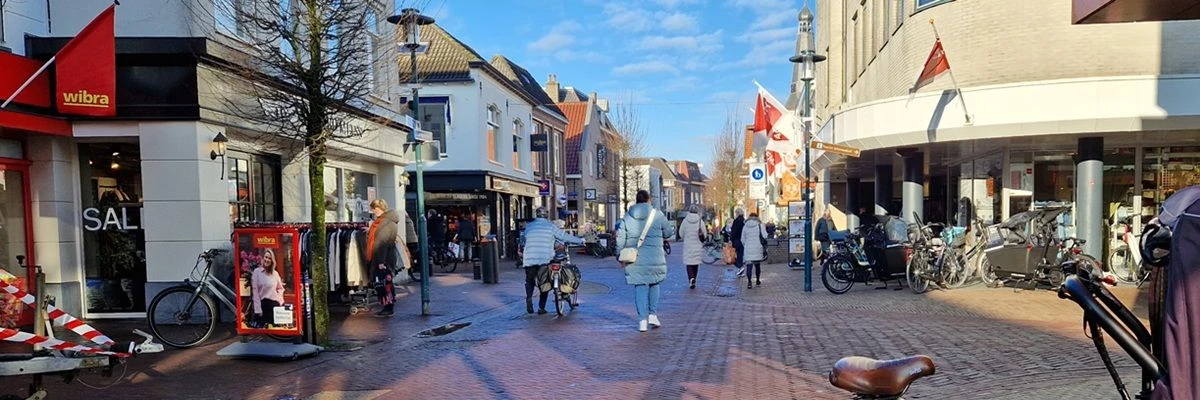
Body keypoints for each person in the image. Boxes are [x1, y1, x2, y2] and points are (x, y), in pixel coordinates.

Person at [617, 190, 675, 332]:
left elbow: (620, 239)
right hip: (655, 257)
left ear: (636, 201)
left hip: (635, 258)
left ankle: (642, 321)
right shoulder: (658, 215)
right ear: (649, 200)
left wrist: (619, 255)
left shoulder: (627, 217)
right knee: (654, 283)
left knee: (640, 286)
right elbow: (668, 233)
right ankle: (653, 315)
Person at [521, 207, 584, 314]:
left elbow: (523, 241)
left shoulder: (529, 226)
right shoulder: (551, 226)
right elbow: (564, 236)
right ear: (546, 215)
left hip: (530, 258)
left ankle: (529, 300)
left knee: (529, 280)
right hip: (545, 258)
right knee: (545, 282)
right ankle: (541, 308)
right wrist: (580, 241)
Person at [367, 199, 399, 317]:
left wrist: (381, 261)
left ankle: (388, 307)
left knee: (383, 283)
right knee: (385, 282)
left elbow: (382, 242)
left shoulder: (385, 223)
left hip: (383, 258)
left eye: (374, 209)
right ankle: (387, 306)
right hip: (383, 257)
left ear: (378, 208)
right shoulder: (384, 222)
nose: (373, 211)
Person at [251, 248, 285, 327]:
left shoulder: (275, 274)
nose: (267, 260)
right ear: (263, 258)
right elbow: (255, 292)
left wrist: (280, 300)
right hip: (263, 306)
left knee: (276, 330)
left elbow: (280, 288)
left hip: (274, 306)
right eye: (266, 257)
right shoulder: (257, 272)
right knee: (262, 330)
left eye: (269, 258)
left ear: (272, 261)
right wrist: (258, 309)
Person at [678, 204, 706, 289]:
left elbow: (681, 233)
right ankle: (694, 279)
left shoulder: (685, 221)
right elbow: (704, 233)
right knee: (696, 263)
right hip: (697, 245)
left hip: (688, 246)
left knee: (689, 263)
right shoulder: (700, 221)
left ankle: (691, 278)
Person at [740, 212, 769, 289]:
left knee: (749, 266)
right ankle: (757, 280)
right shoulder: (760, 225)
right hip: (757, 247)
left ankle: (749, 282)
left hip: (748, 248)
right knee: (757, 265)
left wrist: (746, 245)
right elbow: (765, 235)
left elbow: (742, 239)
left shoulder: (745, 226)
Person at [731, 209, 746, 276]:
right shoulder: (744, 221)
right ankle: (740, 269)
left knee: (732, 256)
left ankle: (740, 266)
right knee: (740, 254)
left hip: (736, 240)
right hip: (742, 240)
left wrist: (731, 239)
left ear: (737, 213)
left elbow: (734, 231)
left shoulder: (736, 221)